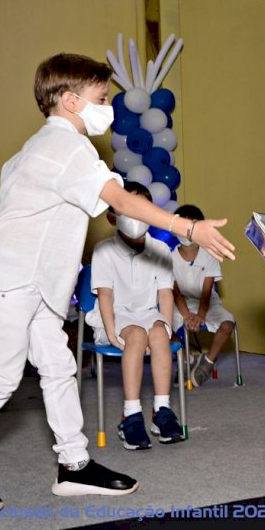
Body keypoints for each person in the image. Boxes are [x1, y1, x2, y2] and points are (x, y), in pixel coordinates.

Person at [0, 53, 234, 516]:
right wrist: (187, 228)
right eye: (102, 98)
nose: (108, 108)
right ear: (71, 101)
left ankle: (73, 464)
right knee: (2, 375)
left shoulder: (30, 150)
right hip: (13, 281)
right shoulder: (65, 147)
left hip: (35, 283)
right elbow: (119, 199)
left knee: (57, 369)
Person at [86, 181, 183, 449]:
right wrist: (114, 334)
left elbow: (165, 294)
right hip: (115, 315)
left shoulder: (161, 250)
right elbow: (105, 296)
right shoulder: (104, 250)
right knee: (136, 336)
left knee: (158, 335)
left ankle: (161, 411)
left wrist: (165, 326)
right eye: (127, 211)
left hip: (148, 313)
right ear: (112, 217)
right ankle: (131, 413)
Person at [171, 204, 236, 388]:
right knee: (164, 327)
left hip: (207, 304)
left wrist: (200, 315)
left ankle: (207, 362)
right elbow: (174, 292)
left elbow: (207, 291)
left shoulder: (209, 254)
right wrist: (186, 316)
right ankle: (185, 360)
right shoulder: (169, 257)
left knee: (228, 323)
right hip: (181, 304)